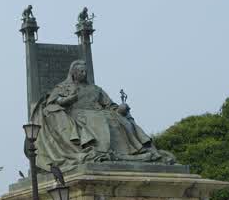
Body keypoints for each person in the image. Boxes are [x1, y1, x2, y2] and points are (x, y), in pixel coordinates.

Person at [33, 60, 175, 169]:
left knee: (115, 119)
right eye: (81, 71)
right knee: (97, 121)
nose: (84, 74)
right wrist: (68, 99)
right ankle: (99, 151)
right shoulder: (63, 87)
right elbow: (54, 102)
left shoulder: (95, 89)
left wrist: (120, 109)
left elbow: (109, 105)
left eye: (85, 71)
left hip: (101, 113)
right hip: (76, 115)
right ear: (73, 73)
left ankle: (130, 153)